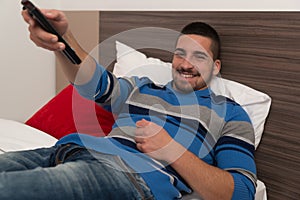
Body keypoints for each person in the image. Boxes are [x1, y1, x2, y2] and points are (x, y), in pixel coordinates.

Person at [0, 9, 256, 200]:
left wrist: (171, 150)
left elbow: (242, 192)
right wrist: (63, 40)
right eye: (180, 54)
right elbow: (93, 84)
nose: (186, 64)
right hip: (69, 151)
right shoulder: (142, 88)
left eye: (199, 57)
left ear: (216, 66)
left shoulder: (230, 113)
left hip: (129, 178)